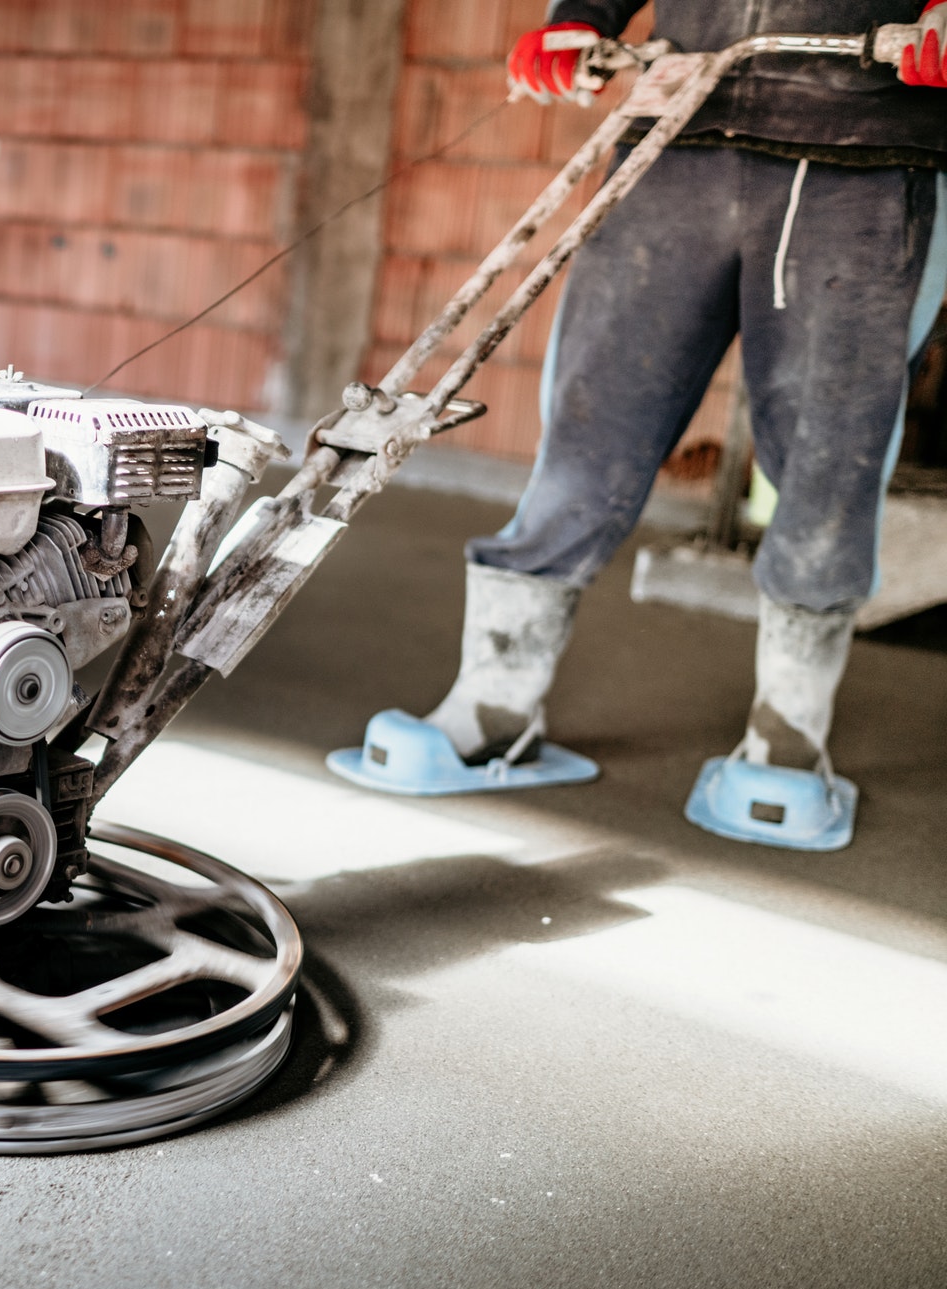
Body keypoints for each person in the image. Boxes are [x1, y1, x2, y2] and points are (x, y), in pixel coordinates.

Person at [328, 1, 947, 850]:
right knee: (589, 430)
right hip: (678, 130)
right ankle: (495, 703)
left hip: (865, 147)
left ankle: (787, 737)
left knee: (829, 461)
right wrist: (580, 15)